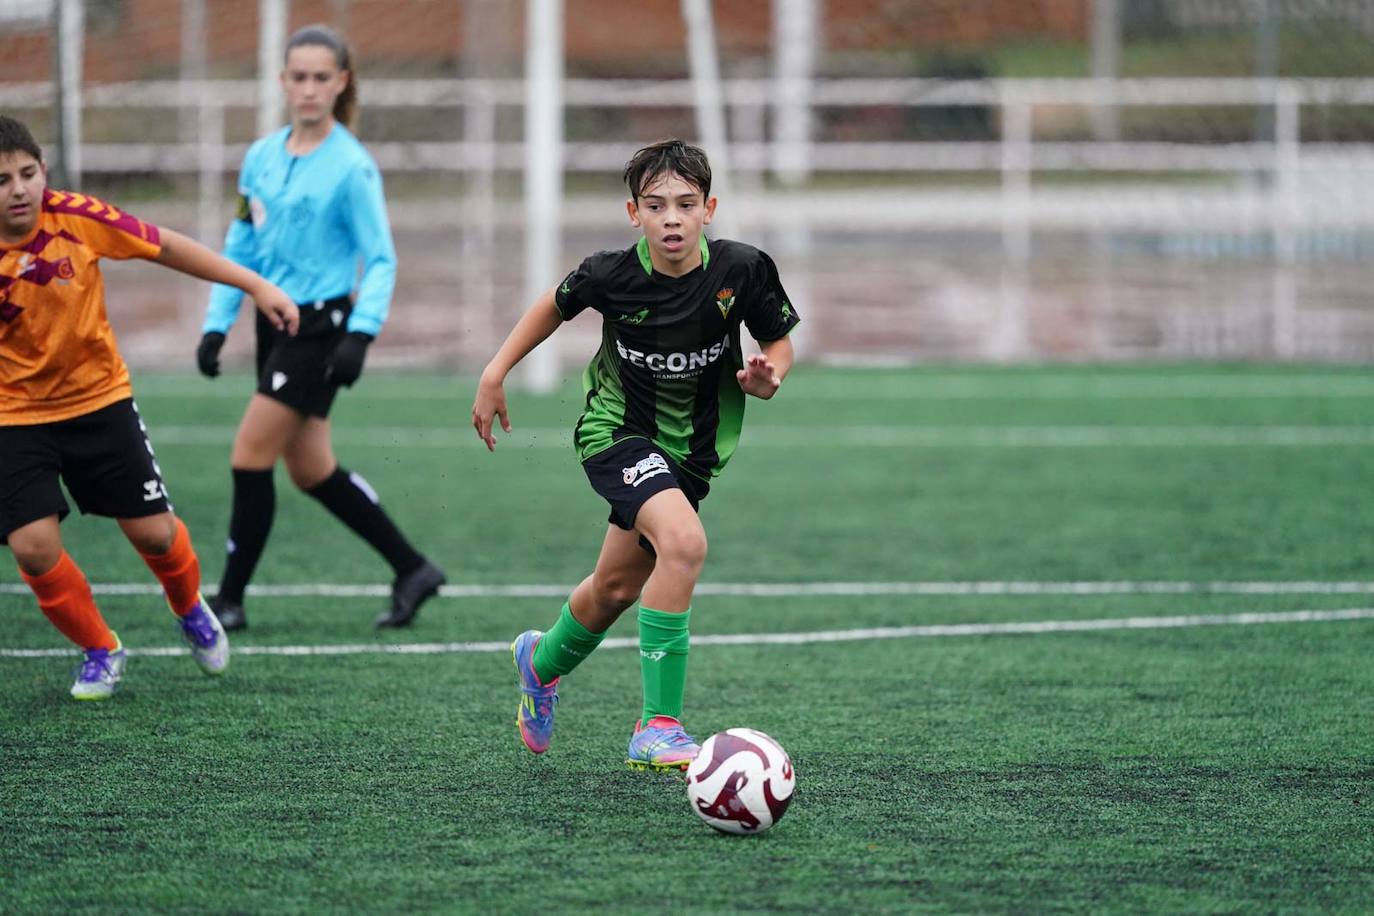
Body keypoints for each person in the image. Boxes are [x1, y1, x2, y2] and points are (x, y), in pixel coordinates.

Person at [471, 139, 799, 770]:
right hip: (615, 434)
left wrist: (768, 375)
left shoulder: (743, 269)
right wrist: (496, 369)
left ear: (709, 208)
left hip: (693, 455)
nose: (671, 218)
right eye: (655, 206)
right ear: (633, 213)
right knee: (685, 543)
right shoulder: (609, 273)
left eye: (685, 204)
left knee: (617, 587)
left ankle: (538, 664)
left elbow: (777, 342)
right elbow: (553, 306)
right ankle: (657, 726)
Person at [0, 115, 300, 700]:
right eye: (2, 178)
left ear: (44, 173)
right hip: (13, 416)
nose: (18, 188)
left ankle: (189, 607)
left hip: (98, 403)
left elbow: (166, 246)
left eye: (28, 172)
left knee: (157, 537)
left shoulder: (76, 219)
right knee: (33, 547)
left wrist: (255, 285)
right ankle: (100, 649)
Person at [196, 24, 445, 632]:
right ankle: (413, 568)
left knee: (249, 455)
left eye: (320, 77)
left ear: (340, 83)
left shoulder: (351, 168)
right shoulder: (260, 157)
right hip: (271, 324)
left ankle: (228, 599)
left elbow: (381, 258)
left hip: (321, 328)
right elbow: (241, 243)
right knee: (309, 468)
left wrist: (361, 333)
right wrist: (217, 323)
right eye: (298, 77)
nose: (308, 89)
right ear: (283, 82)